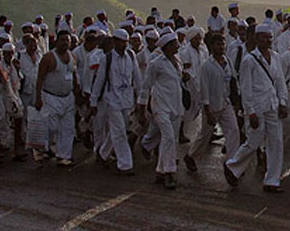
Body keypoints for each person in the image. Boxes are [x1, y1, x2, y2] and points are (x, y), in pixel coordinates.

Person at [223, 23, 289, 192]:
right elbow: (245, 89)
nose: (268, 40)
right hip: (257, 107)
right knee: (254, 141)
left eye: (270, 37)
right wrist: (250, 112)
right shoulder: (249, 60)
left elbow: (280, 82)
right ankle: (232, 166)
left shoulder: (275, 57)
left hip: (273, 104)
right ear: (256, 38)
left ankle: (272, 181)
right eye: (264, 37)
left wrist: (283, 102)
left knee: (276, 142)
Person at [185, 31, 241, 169]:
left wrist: (236, 101)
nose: (221, 47)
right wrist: (207, 110)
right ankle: (191, 155)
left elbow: (233, 81)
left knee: (233, 131)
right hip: (211, 105)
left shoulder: (228, 62)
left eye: (222, 44)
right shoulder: (207, 66)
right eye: (218, 44)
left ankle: (232, 164)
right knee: (205, 134)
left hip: (226, 103)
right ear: (211, 46)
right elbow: (204, 89)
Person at [138, 29, 186, 188]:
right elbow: (146, 87)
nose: (177, 46)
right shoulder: (156, 64)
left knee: (170, 139)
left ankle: (160, 170)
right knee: (169, 137)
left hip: (176, 106)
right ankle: (169, 173)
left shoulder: (177, 61)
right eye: (174, 44)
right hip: (160, 106)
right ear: (166, 46)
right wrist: (142, 109)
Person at [91, 29, 141, 174]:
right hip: (112, 100)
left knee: (117, 129)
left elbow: (137, 78)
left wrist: (142, 98)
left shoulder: (131, 56)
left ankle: (103, 153)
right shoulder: (106, 59)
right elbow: (99, 81)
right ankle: (125, 164)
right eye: (120, 42)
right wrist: (93, 102)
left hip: (127, 100)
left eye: (125, 42)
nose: (123, 45)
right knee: (119, 131)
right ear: (114, 42)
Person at [34, 30, 80, 166]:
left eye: (67, 40)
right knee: (50, 127)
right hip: (50, 97)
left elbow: (74, 77)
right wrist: (38, 98)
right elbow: (40, 78)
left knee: (67, 128)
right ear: (56, 41)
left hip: (68, 97)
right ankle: (40, 149)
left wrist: (77, 94)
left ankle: (63, 156)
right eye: (62, 40)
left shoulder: (72, 57)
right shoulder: (48, 57)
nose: (65, 43)